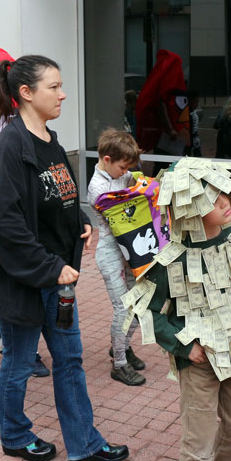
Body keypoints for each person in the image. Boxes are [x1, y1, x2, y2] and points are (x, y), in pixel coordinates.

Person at [0, 54, 127, 461]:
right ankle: (14, 435)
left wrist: (78, 219)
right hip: (24, 279)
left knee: (70, 360)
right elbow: (3, 223)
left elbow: (54, 196)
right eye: (54, 87)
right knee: (19, 362)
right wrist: (50, 266)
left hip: (56, 279)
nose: (63, 93)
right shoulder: (10, 146)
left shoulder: (50, 140)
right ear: (26, 93)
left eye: (61, 85)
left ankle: (85, 445)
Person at [121, 157, 231, 461]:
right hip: (198, 360)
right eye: (211, 200)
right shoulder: (171, 262)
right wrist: (186, 347)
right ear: (189, 212)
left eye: (223, 195)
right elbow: (148, 311)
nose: (224, 204)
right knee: (198, 437)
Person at [87, 128, 146, 386]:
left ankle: (121, 346)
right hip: (111, 253)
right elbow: (127, 208)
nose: (126, 173)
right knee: (123, 308)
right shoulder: (97, 188)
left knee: (138, 302)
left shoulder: (121, 174)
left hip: (131, 250)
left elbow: (140, 180)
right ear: (107, 159)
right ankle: (119, 364)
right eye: (122, 167)